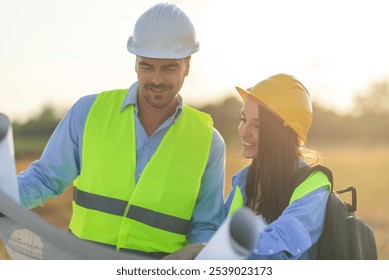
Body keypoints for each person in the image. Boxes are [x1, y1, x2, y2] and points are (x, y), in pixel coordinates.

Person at [17, 3, 226, 260]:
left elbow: (206, 226)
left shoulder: (208, 142)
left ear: (187, 65)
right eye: (147, 66)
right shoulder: (88, 112)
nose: (157, 79)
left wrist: (199, 253)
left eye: (169, 67)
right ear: (135, 62)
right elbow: (43, 178)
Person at [225, 74, 331, 259]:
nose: (243, 131)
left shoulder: (313, 184)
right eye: (243, 119)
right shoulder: (242, 181)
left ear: (280, 134)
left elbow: (279, 250)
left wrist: (210, 250)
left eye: (257, 126)